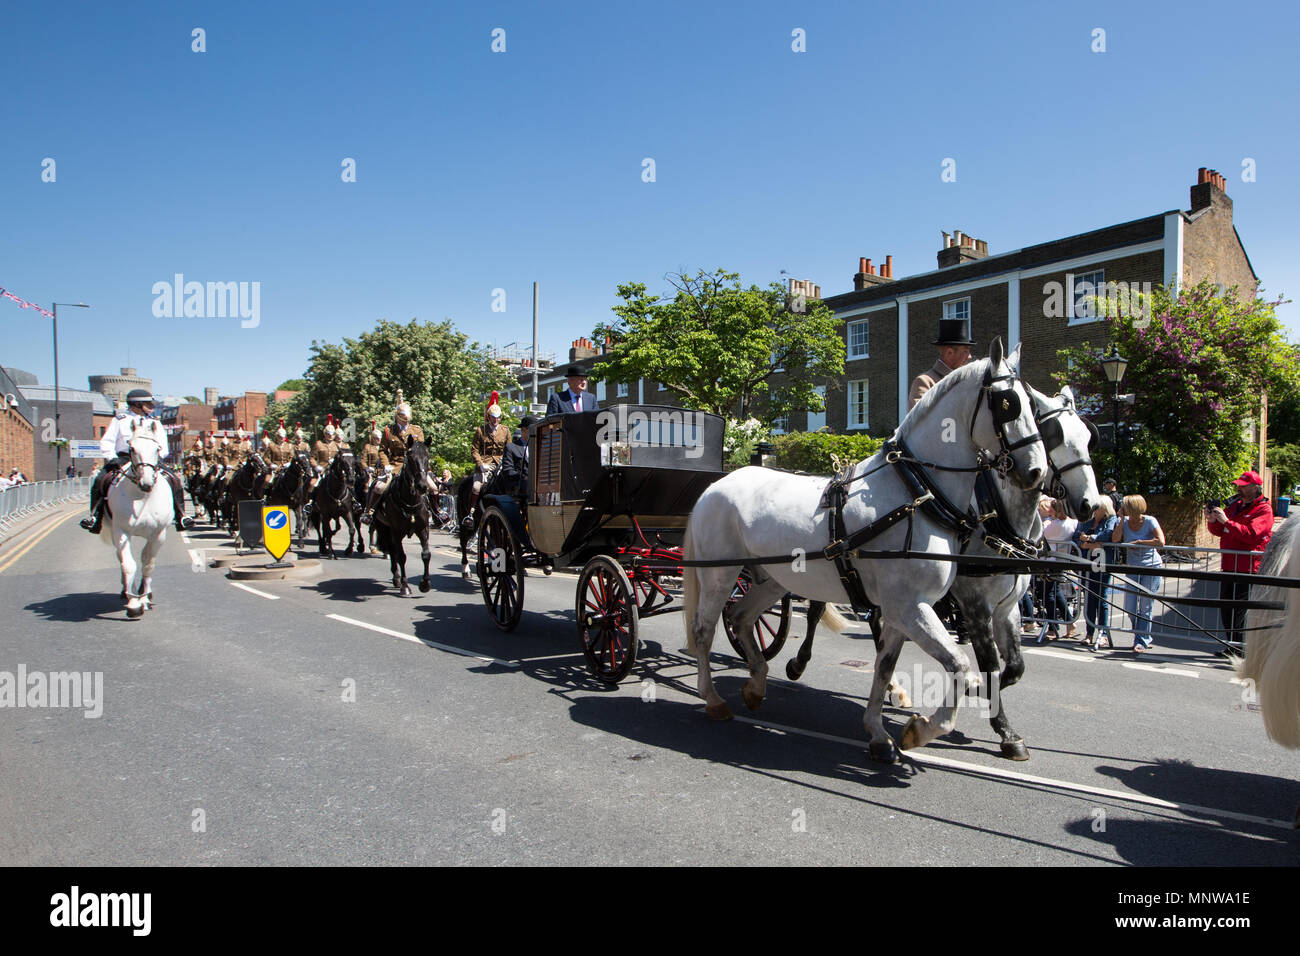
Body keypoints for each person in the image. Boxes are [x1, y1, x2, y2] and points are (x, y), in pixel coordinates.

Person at [79, 388, 192, 534]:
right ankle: (95, 517)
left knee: (174, 480)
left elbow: (163, 446)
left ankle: (181, 515)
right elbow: (106, 442)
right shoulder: (120, 420)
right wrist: (112, 458)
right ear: (137, 404)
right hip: (123, 458)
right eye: (148, 404)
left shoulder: (155, 423)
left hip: (150, 460)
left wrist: (159, 456)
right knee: (101, 480)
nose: (152, 406)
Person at [1206, 470, 1274, 657]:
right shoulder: (1235, 505)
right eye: (1238, 486)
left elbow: (1252, 535)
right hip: (1229, 563)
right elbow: (1220, 530)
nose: (1239, 489)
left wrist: (1227, 522)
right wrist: (1213, 521)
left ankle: (1241, 648)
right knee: (1226, 607)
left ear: (1255, 488)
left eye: (1243, 487)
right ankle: (1231, 646)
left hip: (1248, 567)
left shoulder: (1264, 509)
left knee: (1241, 610)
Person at [360, 390, 428, 524]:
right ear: (397, 417)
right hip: (395, 465)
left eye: (407, 418)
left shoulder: (416, 431)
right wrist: (386, 465)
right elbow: (383, 451)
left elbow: (421, 451)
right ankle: (369, 512)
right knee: (379, 487)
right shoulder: (388, 431)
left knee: (432, 487)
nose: (406, 421)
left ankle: (436, 512)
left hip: (414, 466)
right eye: (403, 418)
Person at [1111, 494, 1165, 653]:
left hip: (1151, 567)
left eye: (1125, 505)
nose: (1122, 507)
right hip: (1133, 567)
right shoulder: (1125, 522)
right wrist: (1121, 520)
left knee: (1146, 607)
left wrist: (1140, 543)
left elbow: (1161, 541)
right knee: (1130, 607)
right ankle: (1143, 635)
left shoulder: (1149, 521)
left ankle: (1141, 640)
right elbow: (1115, 539)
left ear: (1133, 507)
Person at [1074, 498, 1119, 650]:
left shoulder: (1112, 520)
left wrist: (1091, 539)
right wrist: (1088, 543)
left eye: (1097, 508)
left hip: (1103, 563)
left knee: (1101, 597)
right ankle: (1089, 633)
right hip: (1087, 563)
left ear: (1105, 508)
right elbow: (1076, 536)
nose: (1094, 511)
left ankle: (1103, 634)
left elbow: (1107, 535)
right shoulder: (1088, 521)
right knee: (1088, 598)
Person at [907, 317, 975, 411]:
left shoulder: (967, 382)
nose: (969, 356)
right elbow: (920, 420)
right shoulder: (924, 382)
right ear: (949, 353)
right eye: (965, 351)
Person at [463, 399, 511, 528]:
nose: (495, 420)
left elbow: (509, 449)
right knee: (476, 487)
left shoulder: (505, 431)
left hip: (500, 464)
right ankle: (470, 513)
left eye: (498, 417)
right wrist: (480, 465)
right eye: (493, 417)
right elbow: (474, 450)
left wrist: (506, 462)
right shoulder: (481, 430)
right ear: (488, 417)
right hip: (485, 464)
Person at [1042, 497, 1080, 640]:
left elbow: (1042, 533)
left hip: (1051, 561)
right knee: (1055, 593)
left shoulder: (1055, 525)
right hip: (1062, 560)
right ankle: (1069, 623)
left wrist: (1046, 522)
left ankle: (1053, 627)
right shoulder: (1073, 522)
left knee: (1049, 595)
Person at [497, 416, 537, 496]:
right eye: (533, 430)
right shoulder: (511, 447)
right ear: (524, 430)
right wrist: (524, 477)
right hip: (518, 485)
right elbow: (508, 471)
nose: (536, 433)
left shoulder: (539, 447)